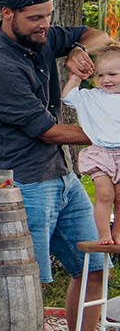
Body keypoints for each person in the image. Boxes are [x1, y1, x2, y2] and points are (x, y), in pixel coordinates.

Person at [0, 0, 115, 331]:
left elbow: (98, 35)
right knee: (24, 287)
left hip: (62, 178)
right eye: (36, 18)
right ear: (6, 14)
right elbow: (49, 131)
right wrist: (110, 135)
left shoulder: (42, 37)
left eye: (49, 17)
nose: (45, 25)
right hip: (21, 183)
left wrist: (81, 51)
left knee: (94, 268)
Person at [62, 48, 120, 245]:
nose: (106, 79)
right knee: (105, 194)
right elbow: (68, 97)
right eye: (100, 74)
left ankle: (117, 233)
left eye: (112, 74)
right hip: (101, 154)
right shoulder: (92, 97)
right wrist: (77, 77)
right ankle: (103, 234)